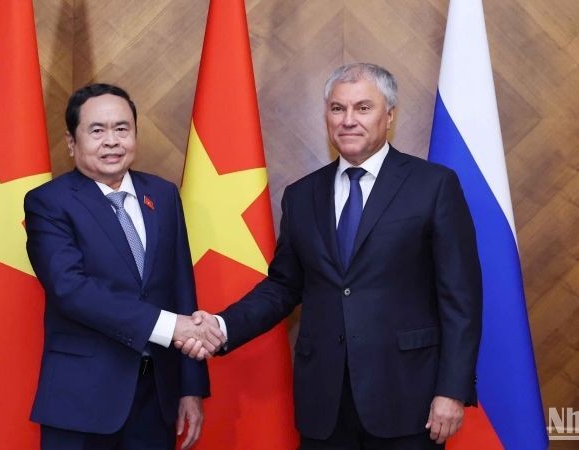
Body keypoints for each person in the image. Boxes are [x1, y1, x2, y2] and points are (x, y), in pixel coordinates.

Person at [179, 63, 482, 449]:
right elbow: (283, 287)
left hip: (409, 399)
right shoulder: (302, 194)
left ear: (389, 116)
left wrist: (452, 390)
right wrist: (221, 327)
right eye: (337, 109)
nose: (348, 120)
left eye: (363, 108)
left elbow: (461, 299)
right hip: (324, 405)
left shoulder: (434, 186)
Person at [24, 83, 225, 450]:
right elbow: (71, 290)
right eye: (97, 131)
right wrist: (169, 327)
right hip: (83, 400)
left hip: (156, 397)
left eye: (122, 129)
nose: (112, 141)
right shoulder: (48, 203)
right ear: (72, 143)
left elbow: (182, 287)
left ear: (135, 135)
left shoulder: (163, 195)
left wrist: (190, 387)